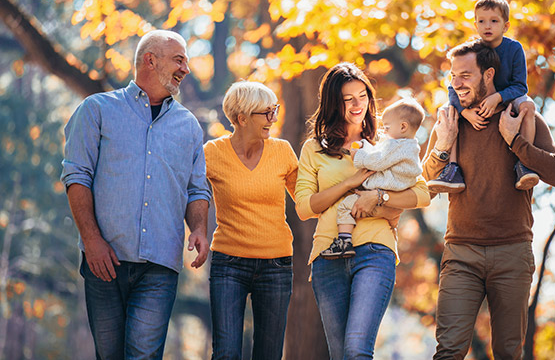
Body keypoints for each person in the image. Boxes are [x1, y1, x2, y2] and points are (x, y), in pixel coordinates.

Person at [61, 30, 212, 359]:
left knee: (143, 356)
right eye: (179, 60)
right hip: (104, 260)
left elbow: (196, 188)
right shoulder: (96, 109)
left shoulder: (188, 126)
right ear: (150, 60)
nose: (186, 69)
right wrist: (91, 240)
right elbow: (76, 175)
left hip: (159, 265)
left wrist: (198, 228)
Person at [423, 39, 555, 359]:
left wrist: (515, 141)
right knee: (448, 350)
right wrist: (443, 146)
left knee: (508, 352)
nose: (456, 84)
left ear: (488, 75)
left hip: (512, 252)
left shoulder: (521, 115)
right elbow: (424, 187)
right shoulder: (450, 120)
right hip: (461, 252)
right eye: (453, 76)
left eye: (465, 76)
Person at [295, 63, 431, 359]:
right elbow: (305, 208)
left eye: (363, 96)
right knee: (341, 354)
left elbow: (422, 194)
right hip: (327, 257)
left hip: (374, 252)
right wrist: (351, 182)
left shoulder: (387, 144)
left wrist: (379, 196)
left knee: (357, 350)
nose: (358, 105)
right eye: (348, 99)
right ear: (334, 103)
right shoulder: (313, 149)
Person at [203, 81, 298, 360]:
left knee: (269, 355)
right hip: (228, 263)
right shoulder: (212, 153)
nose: (274, 118)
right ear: (241, 118)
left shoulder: (282, 151)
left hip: (277, 264)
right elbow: (190, 193)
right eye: (266, 113)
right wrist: (195, 230)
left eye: (274, 110)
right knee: (226, 353)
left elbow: (307, 203)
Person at [428, 0, 540, 194]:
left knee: (528, 107)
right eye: (482, 21)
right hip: (473, 100)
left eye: (494, 21)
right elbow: (454, 86)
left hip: (508, 97)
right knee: (447, 113)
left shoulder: (514, 49)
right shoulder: (473, 50)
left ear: (505, 26)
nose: (487, 26)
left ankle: (524, 163)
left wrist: (498, 97)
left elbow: (521, 86)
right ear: (475, 24)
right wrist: (464, 111)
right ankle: (452, 169)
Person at [320, 98, 425, 259]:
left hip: (387, 185)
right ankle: (391, 222)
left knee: (345, 206)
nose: (384, 131)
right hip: (399, 188)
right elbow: (380, 153)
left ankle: (344, 242)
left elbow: (377, 161)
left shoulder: (394, 145)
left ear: (403, 126)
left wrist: (358, 155)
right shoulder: (410, 146)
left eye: (387, 127)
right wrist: (366, 146)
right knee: (387, 213)